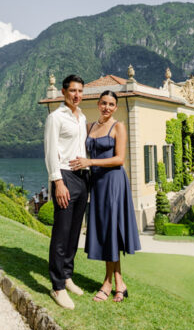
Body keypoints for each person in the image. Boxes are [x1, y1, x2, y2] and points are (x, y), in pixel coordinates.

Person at [71, 90, 141, 302]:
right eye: (103, 103)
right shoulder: (90, 127)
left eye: (111, 104)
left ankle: (108, 282)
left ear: (116, 107)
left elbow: (119, 159)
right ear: (98, 104)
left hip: (114, 183)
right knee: (107, 232)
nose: (107, 107)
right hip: (97, 184)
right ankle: (119, 282)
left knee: (111, 231)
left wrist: (90, 163)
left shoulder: (118, 126)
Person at [43, 74, 90, 309]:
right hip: (64, 177)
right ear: (63, 92)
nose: (77, 95)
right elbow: (51, 152)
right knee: (61, 232)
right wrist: (58, 182)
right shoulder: (55, 117)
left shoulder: (82, 118)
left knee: (74, 232)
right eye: (73, 91)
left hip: (82, 177)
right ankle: (57, 287)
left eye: (80, 91)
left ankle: (67, 276)